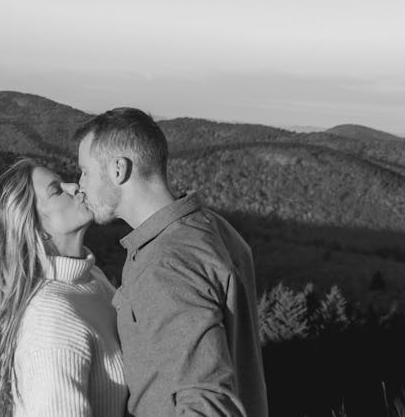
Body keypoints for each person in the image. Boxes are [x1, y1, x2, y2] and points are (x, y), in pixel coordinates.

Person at [74, 108, 268, 417]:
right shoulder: (210, 227)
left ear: (118, 170)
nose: (80, 184)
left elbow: (207, 405)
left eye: (85, 170)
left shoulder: (167, 263)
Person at [0, 158, 127, 417]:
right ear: (35, 228)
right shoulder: (51, 319)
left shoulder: (90, 278)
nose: (75, 186)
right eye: (56, 191)